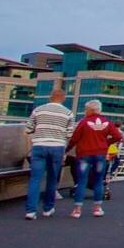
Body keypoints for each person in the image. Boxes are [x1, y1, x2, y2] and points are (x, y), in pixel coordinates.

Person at [67, 100, 123, 218]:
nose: (84, 112)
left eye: (85, 110)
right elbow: (118, 136)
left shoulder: (84, 122)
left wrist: (66, 150)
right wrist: (106, 143)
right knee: (98, 181)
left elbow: (74, 138)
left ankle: (77, 210)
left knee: (81, 181)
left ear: (90, 110)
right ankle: (97, 208)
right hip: (100, 154)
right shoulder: (107, 122)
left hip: (84, 154)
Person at [23, 89, 73, 220]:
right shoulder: (68, 113)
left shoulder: (38, 110)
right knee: (52, 178)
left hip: (39, 145)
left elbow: (28, 129)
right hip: (57, 147)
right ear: (63, 98)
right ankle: (48, 208)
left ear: (50, 97)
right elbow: (69, 134)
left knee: (35, 179)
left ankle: (30, 211)